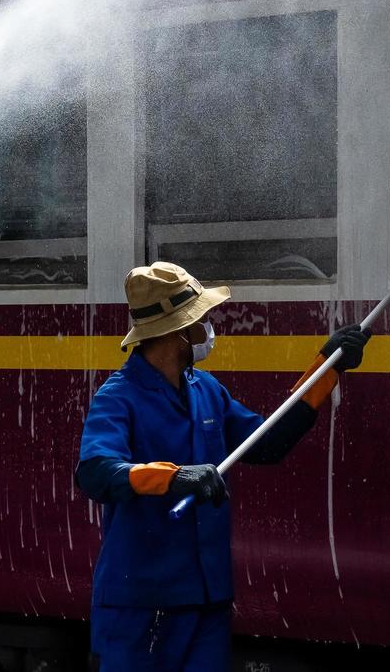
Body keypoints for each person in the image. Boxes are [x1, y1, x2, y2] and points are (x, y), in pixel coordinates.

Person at [75, 261, 370, 671]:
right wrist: (174, 477)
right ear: (180, 333)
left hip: (207, 600)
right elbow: (95, 471)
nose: (209, 327)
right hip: (141, 606)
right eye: (202, 319)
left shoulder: (206, 389)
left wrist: (327, 368)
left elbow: (268, 444)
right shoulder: (118, 397)